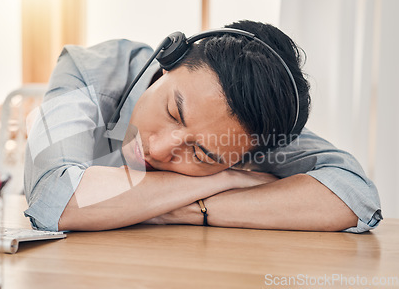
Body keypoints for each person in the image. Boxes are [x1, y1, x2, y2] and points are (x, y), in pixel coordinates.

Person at [23, 20, 382, 233]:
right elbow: (53, 200)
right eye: (172, 111)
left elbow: (354, 195)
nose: (159, 148)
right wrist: (224, 179)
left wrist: (193, 208)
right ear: (168, 61)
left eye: (203, 153)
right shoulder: (89, 70)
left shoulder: (253, 128)